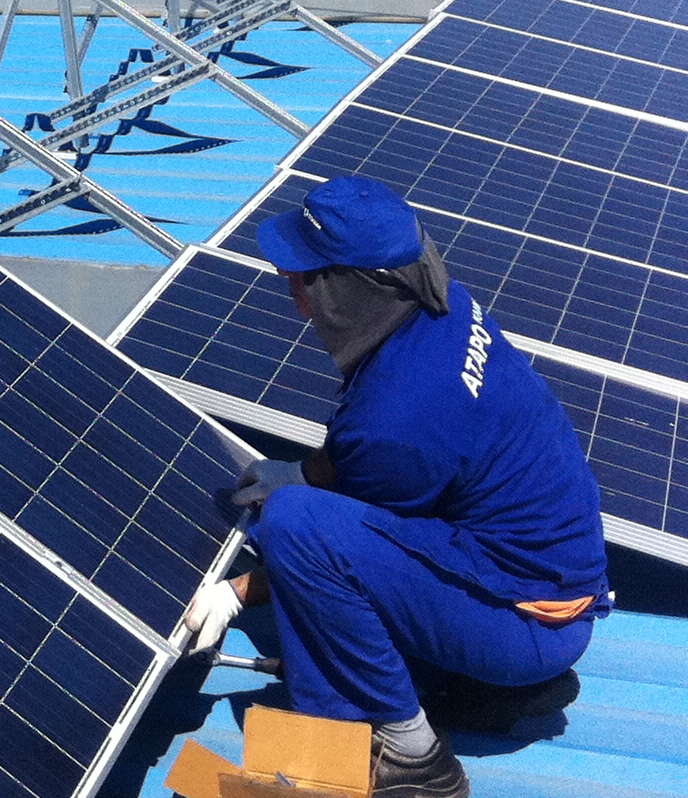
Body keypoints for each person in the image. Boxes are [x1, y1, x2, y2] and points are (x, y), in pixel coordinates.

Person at [185, 175, 607, 798]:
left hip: (524, 625)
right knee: (309, 517)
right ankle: (454, 682)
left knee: (295, 523)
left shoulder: (398, 413)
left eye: (304, 274)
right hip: (541, 588)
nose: (289, 284)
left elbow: (337, 543)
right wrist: (301, 470)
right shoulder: (441, 309)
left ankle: (409, 758)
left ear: (351, 289)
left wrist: (238, 592)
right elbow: (382, 466)